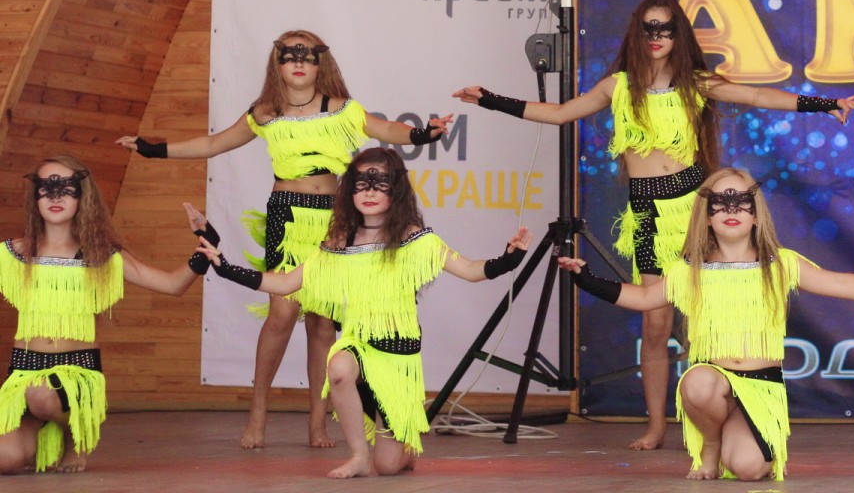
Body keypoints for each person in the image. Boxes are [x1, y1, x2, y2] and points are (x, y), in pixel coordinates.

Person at [454, 0, 854, 450]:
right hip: (648, 212)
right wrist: (492, 100)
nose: (656, 37)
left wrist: (822, 103)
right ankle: (655, 425)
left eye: (665, 29)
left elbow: (754, 94)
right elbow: (560, 113)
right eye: (648, 28)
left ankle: (726, 419)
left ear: (677, 35)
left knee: (710, 313)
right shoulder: (618, 86)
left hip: (696, 209)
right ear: (637, 32)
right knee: (655, 323)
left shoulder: (694, 82)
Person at [116, 29, 453, 449]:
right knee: (281, 313)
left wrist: (423, 134)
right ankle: (257, 414)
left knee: (322, 323)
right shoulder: (265, 113)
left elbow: (385, 128)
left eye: (307, 55)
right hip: (287, 214)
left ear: (320, 63)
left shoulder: (341, 108)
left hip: (332, 219)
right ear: (277, 63)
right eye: (289, 55)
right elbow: (214, 143)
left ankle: (318, 422)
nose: (298, 62)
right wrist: (152, 149)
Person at [558, 166, 854, 480]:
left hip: (760, 387)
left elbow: (841, 283)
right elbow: (642, 298)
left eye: (741, 202)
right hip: (715, 380)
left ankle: (739, 436)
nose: (731, 210)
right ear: (707, 216)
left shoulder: (780, 263)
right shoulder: (689, 270)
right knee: (698, 383)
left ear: (755, 214)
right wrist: (586, 278)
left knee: (750, 470)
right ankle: (711, 444)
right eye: (720, 204)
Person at [196, 147, 530, 478]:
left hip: (397, 357)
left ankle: (404, 452)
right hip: (359, 345)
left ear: (395, 190)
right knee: (339, 368)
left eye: (379, 184)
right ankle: (358, 456)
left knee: (388, 467)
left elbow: (470, 270)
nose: (369, 192)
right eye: (361, 184)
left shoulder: (413, 238)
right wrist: (226, 267)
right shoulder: (339, 241)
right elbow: (285, 283)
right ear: (349, 191)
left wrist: (508, 259)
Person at [0, 156, 205, 474]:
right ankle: (42, 438)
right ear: (35, 197)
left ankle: (74, 434)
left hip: (76, 374)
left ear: (83, 197)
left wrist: (204, 249)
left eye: (66, 188)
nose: (56, 196)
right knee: (6, 459)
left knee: (43, 396)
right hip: (23, 375)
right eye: (47, 188)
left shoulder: (101, 256)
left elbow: (171, 285)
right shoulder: (11, 254)